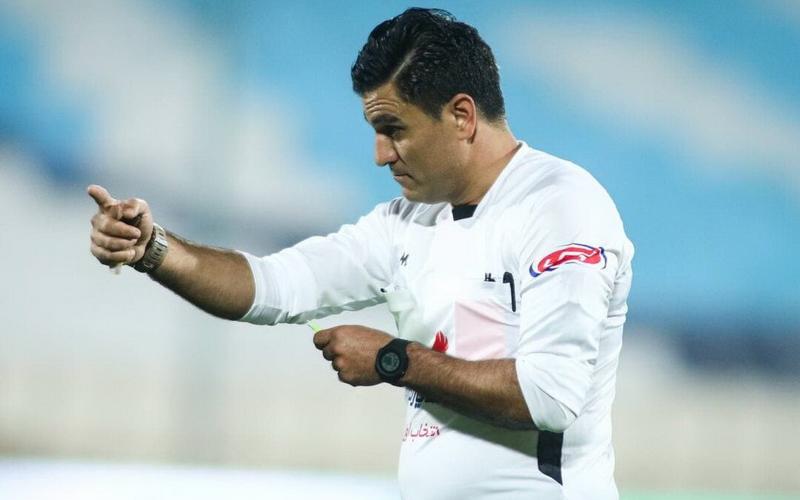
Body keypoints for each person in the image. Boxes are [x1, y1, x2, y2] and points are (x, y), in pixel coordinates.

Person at [88, 8, 633, 500]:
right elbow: (272, 285)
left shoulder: (559, 207)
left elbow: (549, 395)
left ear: (462, 116)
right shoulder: (406, 222)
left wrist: (394, 360)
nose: (380, 154)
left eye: (393, 129)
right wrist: (153, 250)